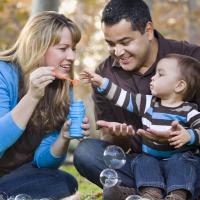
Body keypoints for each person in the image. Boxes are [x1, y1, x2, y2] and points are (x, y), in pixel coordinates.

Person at [73, 0, 200, 199]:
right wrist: (119, 137)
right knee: (86, 152)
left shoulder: (190, 59)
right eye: (111, 44)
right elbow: (113, 139)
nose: (118, 52)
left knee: (185, 165)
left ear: (148, 31)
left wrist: (186, 137)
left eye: (125, 42)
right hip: (142, 164)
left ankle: (157, 192)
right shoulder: (105, 73)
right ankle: (153, 192)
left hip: (186, 162)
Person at [80, 53, 200, 199]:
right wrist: (101, 82)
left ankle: (177, 195)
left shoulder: (189, 110)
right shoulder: (149, 103)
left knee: (182, 161)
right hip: (152, 160)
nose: (153, 77)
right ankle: (151, 194)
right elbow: (123, 97)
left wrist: (189, 135)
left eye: (160, 74)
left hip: (178, 161)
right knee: (143, 160)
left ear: (179, 85)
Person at [0, 11, 89, 199]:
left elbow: (42, 163)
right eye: (63, 48)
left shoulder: (63, 88)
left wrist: (63, 137)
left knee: (65, 180)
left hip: (19, 176)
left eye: (73, 48)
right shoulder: (3, 73)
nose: (71, 56)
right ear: (38, 45)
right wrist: (32, 96)